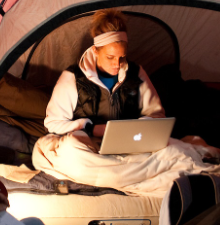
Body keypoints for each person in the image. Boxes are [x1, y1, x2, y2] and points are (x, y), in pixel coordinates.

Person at [44, 8, 165, 144]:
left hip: (129, 143)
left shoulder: (136, 73)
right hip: (88, 145)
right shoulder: (73, 77)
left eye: (122, 57)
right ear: (95, 50)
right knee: (71, 149)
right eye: (110, 57)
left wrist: (135, 128)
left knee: (173, 149)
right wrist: (91, 128)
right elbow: (53, 124)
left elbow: (157, 115)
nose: (117, 64)